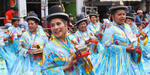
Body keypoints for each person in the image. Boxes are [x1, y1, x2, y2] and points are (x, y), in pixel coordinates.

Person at [42, 5, 94, 75]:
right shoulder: (49, 47)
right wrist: (67, 66)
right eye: (52, 25)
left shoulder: (72, 39)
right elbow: (44, 71)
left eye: (58, 24)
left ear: (65, 25)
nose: (55, 27)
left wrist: (83, 53)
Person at [102, 6, 145, 75]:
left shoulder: (127, 26)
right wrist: (124, 49)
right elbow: (107, 46)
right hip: (115, 62)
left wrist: (136, 47)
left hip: (129, 60)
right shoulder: (110, 28)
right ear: (112, 16)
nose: (122, 16)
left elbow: (132, 39)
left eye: (124, 14)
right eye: (119, 14)